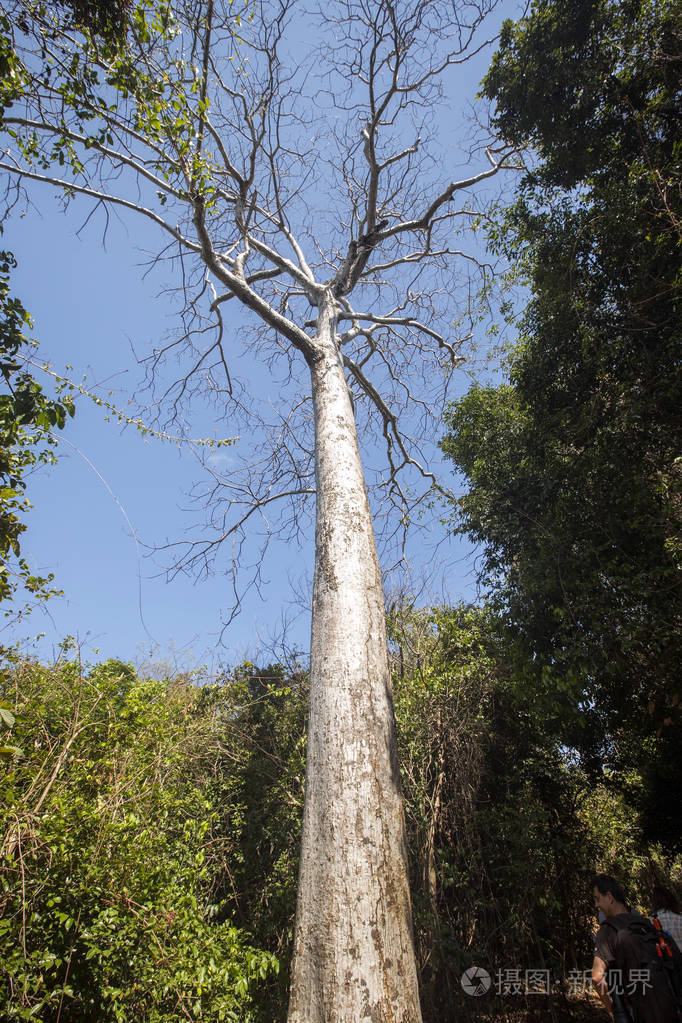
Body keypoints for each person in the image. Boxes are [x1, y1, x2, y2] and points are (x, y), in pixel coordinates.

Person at [592, 873, 681, 1023]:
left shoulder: (608, 931)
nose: (596, 905)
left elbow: (596, 977)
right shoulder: (647, 924)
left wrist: (614, 1010)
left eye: (597, 899)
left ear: (609, 897)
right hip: (671, 1010)